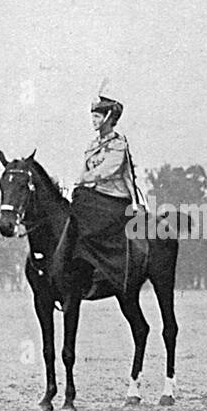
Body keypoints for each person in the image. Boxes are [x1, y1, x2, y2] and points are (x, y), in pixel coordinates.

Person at [62, 93, 143, 292]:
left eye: (97, 117)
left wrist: (84, 180)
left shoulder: (118, 144)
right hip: (96, 197)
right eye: (93, 117)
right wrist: (74, 184)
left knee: (82, 200)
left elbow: (108, 170)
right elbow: (85, 170)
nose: (94, 121)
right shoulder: (92, 145)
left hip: (115, 198)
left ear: (108, 118)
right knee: (77, 198)